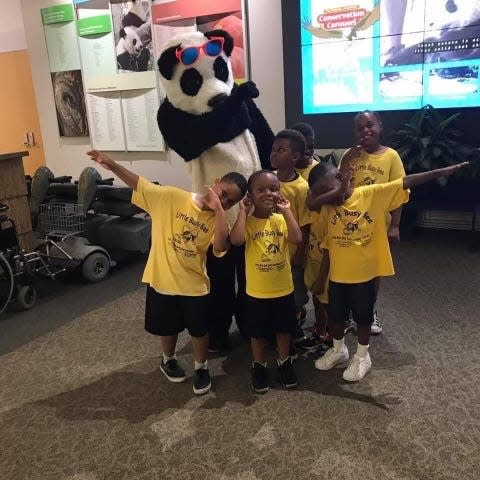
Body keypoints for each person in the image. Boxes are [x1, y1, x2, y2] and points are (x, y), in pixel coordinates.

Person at [86, 150, 247, 395]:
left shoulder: (219, 220)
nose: (223, 200)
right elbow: (141, 184)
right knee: (167, 326)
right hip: (164, 279)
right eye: (223, 193)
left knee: (199, 329)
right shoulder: (172, 197)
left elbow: (220, 247)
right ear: (215, 183)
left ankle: (201, 366)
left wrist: (218, 211)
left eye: (230, 201)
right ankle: (168, 359)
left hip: (194, 284)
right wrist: (112, 165)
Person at [307, 159, 468, 381]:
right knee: (336, 316)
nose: (327, 197)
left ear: (341, 178)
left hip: (364, 275)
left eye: (328, 190)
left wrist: (441, 171)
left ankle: (362, 356)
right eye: (322, 193)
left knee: (363, 318)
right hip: (338, 275)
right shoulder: (328, 206)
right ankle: (338, 350)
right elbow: (323, 232)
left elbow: (405, 181)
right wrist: (321, 277)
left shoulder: (371, 194)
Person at [230, 170, 302, 393]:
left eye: (273, 188)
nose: (267, 193)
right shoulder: (249, 223)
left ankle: (284, 361)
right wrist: (243, 211)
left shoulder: (281, 220)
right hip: (257, 292)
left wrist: (287, 211)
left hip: (282, 288)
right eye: (260, 189)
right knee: (258, 333)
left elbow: (297, 238)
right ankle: (259, 364)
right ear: (250, 195)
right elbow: (236, 240)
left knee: (283, 330)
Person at [340, 110, 407, 335]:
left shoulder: (391, 156)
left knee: (373, 270)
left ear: (380, 126)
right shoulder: (350, 155)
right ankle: (350, 312)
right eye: (360, 127)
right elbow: (338, 188)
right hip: (351, 226)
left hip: (378, 226)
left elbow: (399, 191)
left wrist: (395, 225)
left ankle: (370, 310)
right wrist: (346, 163)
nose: (365, 130)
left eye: (370, 125)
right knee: (350, 268)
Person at [270, 129, 317, 351]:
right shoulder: (266, 180)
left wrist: (299, 253)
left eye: (281, 150)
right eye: (273, 149)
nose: (274, 154)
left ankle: (295, 327)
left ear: (295, 156)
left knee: (296, 294)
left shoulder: (301, 188)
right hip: (270, 252)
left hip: (292, 252)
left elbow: (305, 224)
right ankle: (276, 328)